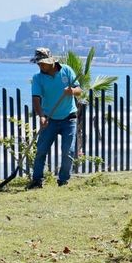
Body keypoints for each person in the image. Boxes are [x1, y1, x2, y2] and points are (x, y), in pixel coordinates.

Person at [27, 48, 82, 189]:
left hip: (69, 117)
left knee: (68, 151)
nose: (41, 66)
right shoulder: (38, 78)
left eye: (43, 63)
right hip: (49, 119)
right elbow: (36, 99)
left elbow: (79, 91)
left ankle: (63, 181)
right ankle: (37, 181)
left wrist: (71, 91)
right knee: (41, 150)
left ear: (51, 61)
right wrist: (41, 116)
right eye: (38, 64)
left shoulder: (67, 70)